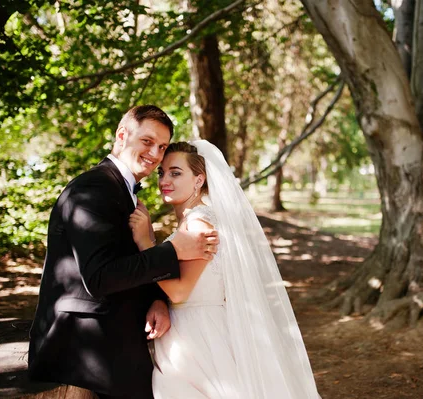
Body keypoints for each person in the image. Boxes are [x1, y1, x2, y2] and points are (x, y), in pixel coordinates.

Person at [28, 106, 219, 399]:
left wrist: (155, 299)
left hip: (118, 332)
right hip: (82, 341)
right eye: (147, 141)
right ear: (122, 135)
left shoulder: (123, 191)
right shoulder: (93, 189)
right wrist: (173, 250)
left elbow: (126, 264)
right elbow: (101, 277)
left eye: (162, 146)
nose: (155, 154)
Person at [129, 140, 320, 398]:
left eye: (176, 172)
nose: (165, 179)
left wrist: (145, 242)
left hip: (198, 334)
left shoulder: (199, 223)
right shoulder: (192, 220)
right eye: (162, 172)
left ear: (199, 180)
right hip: (187, 331)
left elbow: (179, 292)